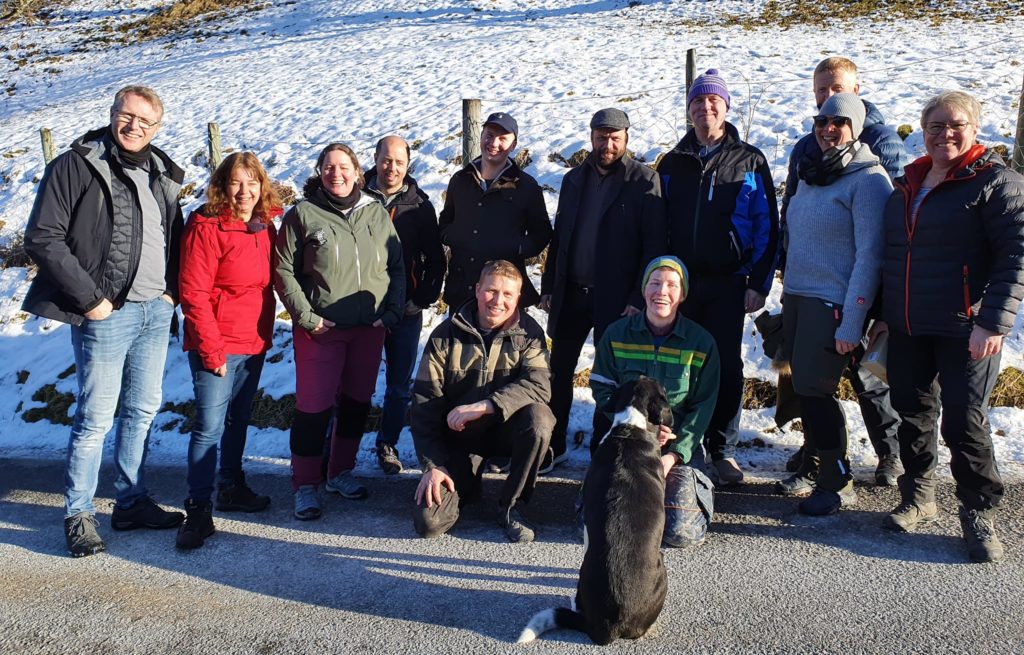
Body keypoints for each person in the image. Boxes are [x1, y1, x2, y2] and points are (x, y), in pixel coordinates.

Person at [23, 85, 185, 557]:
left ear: (158, 127)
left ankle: (131, 500)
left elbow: (169, 235)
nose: (134, 126)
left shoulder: (160, 170)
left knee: (141, 411)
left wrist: (170, 292)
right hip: (105, 312)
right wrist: (91, 300)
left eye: (145, 121)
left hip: (155, 310)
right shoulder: (76, 164)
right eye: (126, 115)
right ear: (112, 114)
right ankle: (78, 513)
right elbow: (43, 237)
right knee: (95, 417)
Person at [872, 91, 1024, 563]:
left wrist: (992, 321)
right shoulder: (907, 184)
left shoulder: (997, 183)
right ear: (922, 130)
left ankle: (979, 511)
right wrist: (883, 316)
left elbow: (1015, 257)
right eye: (935, 126)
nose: (945, 134)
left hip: (967, 327)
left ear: (974, 128)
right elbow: (892, 257)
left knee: (965, 420)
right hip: (909, 325)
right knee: (912, 412)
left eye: (955, 124)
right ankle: (919, 493)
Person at [780, 56, 908, 489]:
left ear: (856, 93)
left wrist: (863, 312)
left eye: (837, 91)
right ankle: (818, 455)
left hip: (847, 293)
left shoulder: (878, 154)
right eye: (821, 94)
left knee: (866, 378)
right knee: (810, 384)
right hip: (803, 290)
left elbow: (878, 238)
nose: (828, 106)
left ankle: (885, 457)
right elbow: (793, 215)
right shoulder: (807, 153)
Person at [658, 69, 779, 487]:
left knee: (726, 365)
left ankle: (722, 449)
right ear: (689, 109)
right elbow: (658, 223)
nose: (705, 108)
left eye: (714, 102)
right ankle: (676, 445)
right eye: (698, 102)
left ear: (726, 108)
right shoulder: (672, 161)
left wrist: (758, 282)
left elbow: (768, 224)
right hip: (680, 284)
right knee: (679, 364)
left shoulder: (750, 159)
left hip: (730, 283)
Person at [274, 143, 404, 521]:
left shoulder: (376, 213)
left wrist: (392, 310)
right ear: (320, 171)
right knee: (313, 408)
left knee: (356, 403)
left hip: (368, 328)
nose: (337, 174)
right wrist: (306, 315)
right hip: (321, 329)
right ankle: (305, 484)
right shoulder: (303, 214)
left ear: (357, 171)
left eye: (344, 166)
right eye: (328, 167)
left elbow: (396, 266)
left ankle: (339, 471)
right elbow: (283, 270)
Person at [539, 108, 667, 474]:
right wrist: (549, 286)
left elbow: (653, 245)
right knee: (559, 372)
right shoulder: (573, 179)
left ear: (626, 139)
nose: (607, 144)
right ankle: (555, 443)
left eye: (615, 138)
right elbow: (560, 236)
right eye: (601, 137)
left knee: (608, 376)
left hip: (616, 299)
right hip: (572, 293)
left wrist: (636, 298)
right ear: (591, 136)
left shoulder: (644, 181)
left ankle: (601, 445)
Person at [175, 152, 283, 549]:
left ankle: (231, 486)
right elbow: (194, 293)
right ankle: (198, 509)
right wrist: (211, 349)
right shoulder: (206, 225)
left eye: (252, 183)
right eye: (236, 183)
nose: (244, 192)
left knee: (239, 419)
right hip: (218, 340)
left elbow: (274, 280)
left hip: (252, 339)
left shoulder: (264, 224)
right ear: (223, 185)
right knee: (209, 426)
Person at [411, 260, 554, 543]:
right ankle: (467, 484)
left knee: (540, 419)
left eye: (507, 294)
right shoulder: (444, 336)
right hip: (461, 438)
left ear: (519, 296)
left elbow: (540, 386)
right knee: (429, 524)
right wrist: (433, 465)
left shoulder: (530, 335)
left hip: (506, 432)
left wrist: (486, 405)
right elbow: (424, 405)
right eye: (491, 291)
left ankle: (513, 507)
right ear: (477, 290)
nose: (498, 301)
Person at [590, 257, 720, 547]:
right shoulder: (616, 334)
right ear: (644, 288)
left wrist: (673, 454)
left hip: (675, 448)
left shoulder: (701, 344)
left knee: (679, 533)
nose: (662, 291)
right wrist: (640, 428)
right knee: (597, 525)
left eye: (672, 285)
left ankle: (698, 493)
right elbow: (602, 388)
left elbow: (703, 407)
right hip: (623, 442)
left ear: (683, 293)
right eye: (655, 282)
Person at [364, 135, 446, 476]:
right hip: (362, 310)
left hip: (405, 309)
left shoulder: (419, 205)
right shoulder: (355, 198)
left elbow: (436, 260)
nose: (391, 168)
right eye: (386, 160)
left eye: (399, 162)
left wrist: (422, 298)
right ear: (376, 159)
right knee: (353, 383)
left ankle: (388, 443)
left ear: (408, 164)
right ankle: (339, 444)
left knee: (398, 385)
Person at [438, 111, 551, 311]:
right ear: (481, 136)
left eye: (502, 138)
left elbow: (541, 233)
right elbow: (446, 220)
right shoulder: (460, 180)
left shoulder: (526, 187)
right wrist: (453, 236)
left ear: (513, 145)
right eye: (489, 135)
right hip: (462, 287)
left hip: (503, 294)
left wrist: (515, 247)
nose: (494, 143)